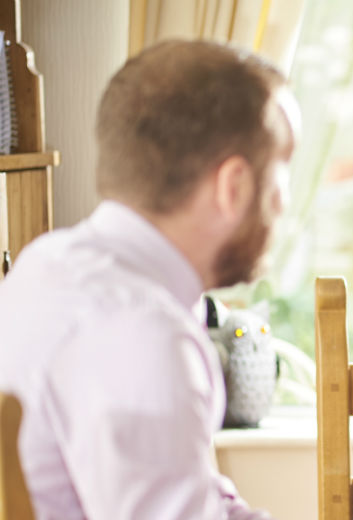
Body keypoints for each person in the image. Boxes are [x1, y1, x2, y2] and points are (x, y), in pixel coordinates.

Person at [0, 40, 299, 519]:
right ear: (234, 186)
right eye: (285, 167)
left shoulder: (42, 266)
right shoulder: (141, 334)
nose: (285, 201)